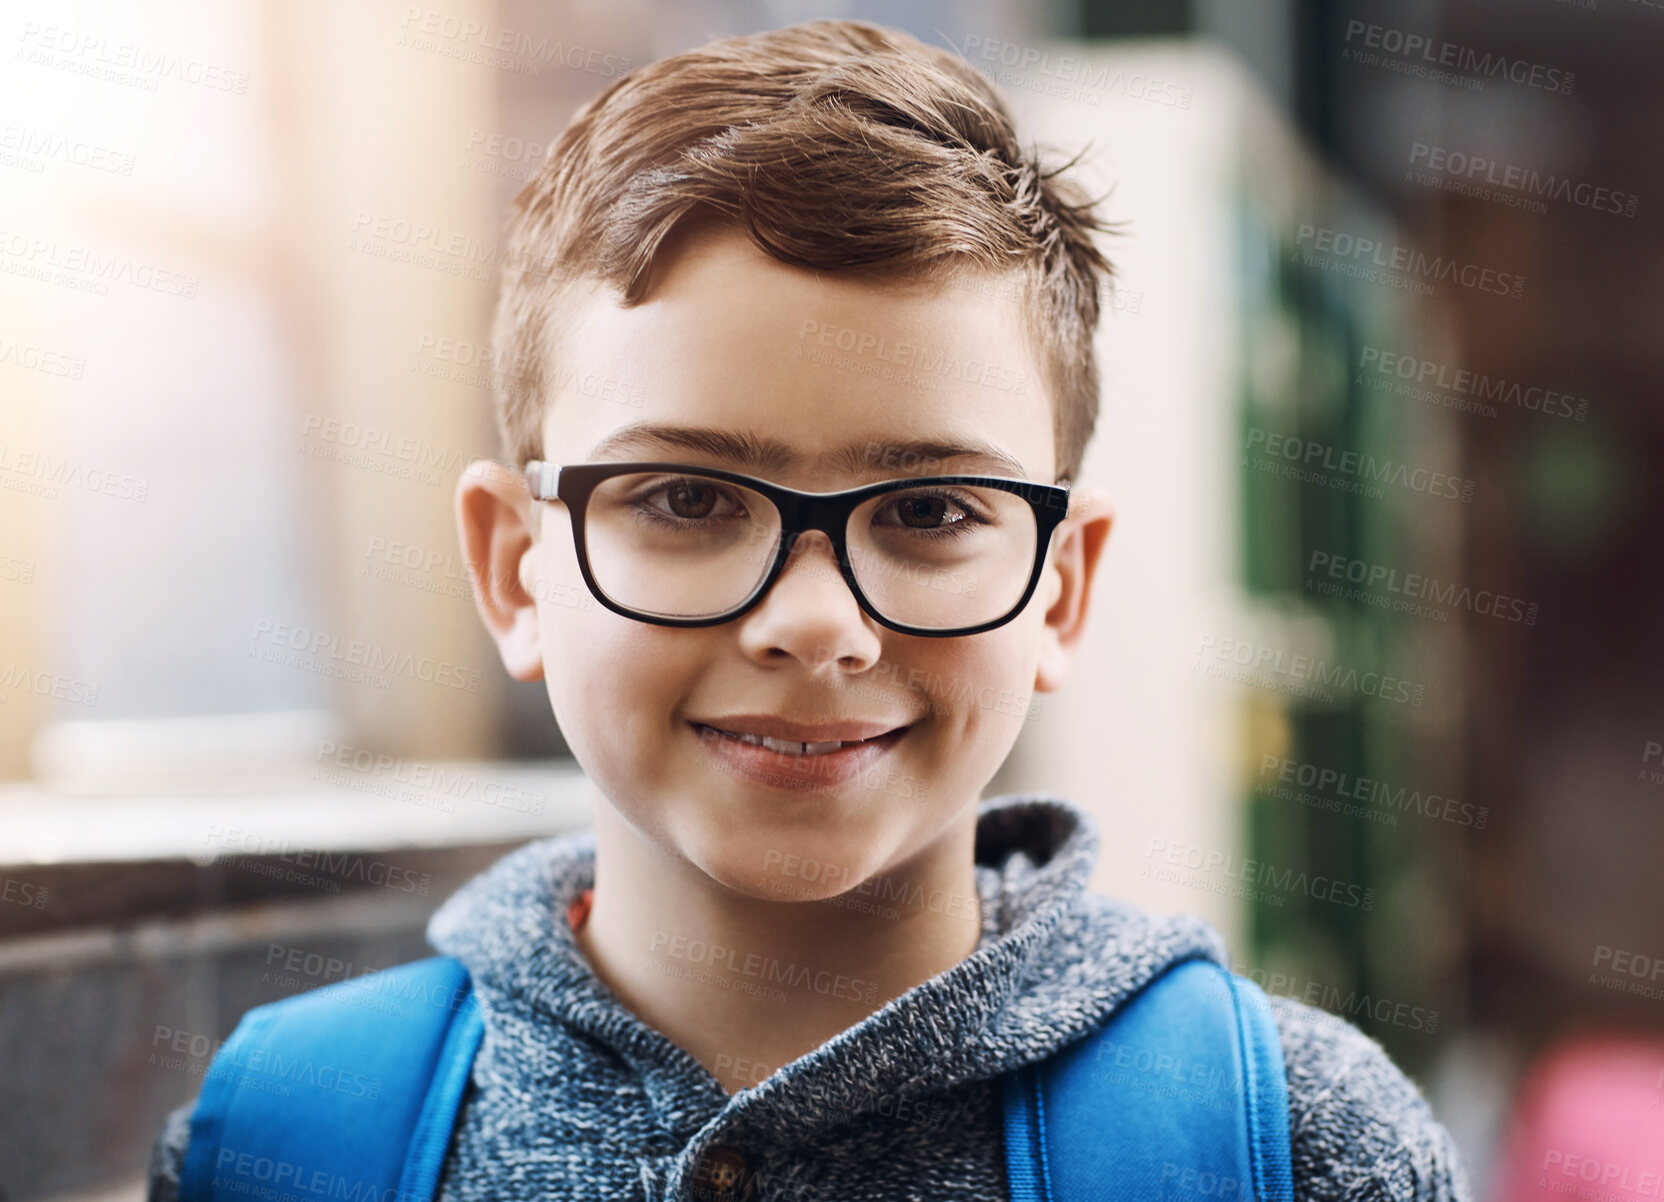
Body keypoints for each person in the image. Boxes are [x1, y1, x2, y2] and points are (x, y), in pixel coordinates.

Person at [148, 19, 1470, 1201]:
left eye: (932, 512)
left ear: (1061, 588)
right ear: (515, 570)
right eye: (684, 498)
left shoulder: (1303, 1147)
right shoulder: (279, 1142)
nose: (815, 621)